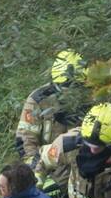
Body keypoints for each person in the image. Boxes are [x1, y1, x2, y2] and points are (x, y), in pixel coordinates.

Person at [15, 50, 92, 183]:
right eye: (65, 87)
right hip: (49, 170)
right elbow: (25, 142)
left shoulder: (92, 98)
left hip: (85, 172)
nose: (69, 93)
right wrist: (37, 174)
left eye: (76, 87)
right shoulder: (39, 100)